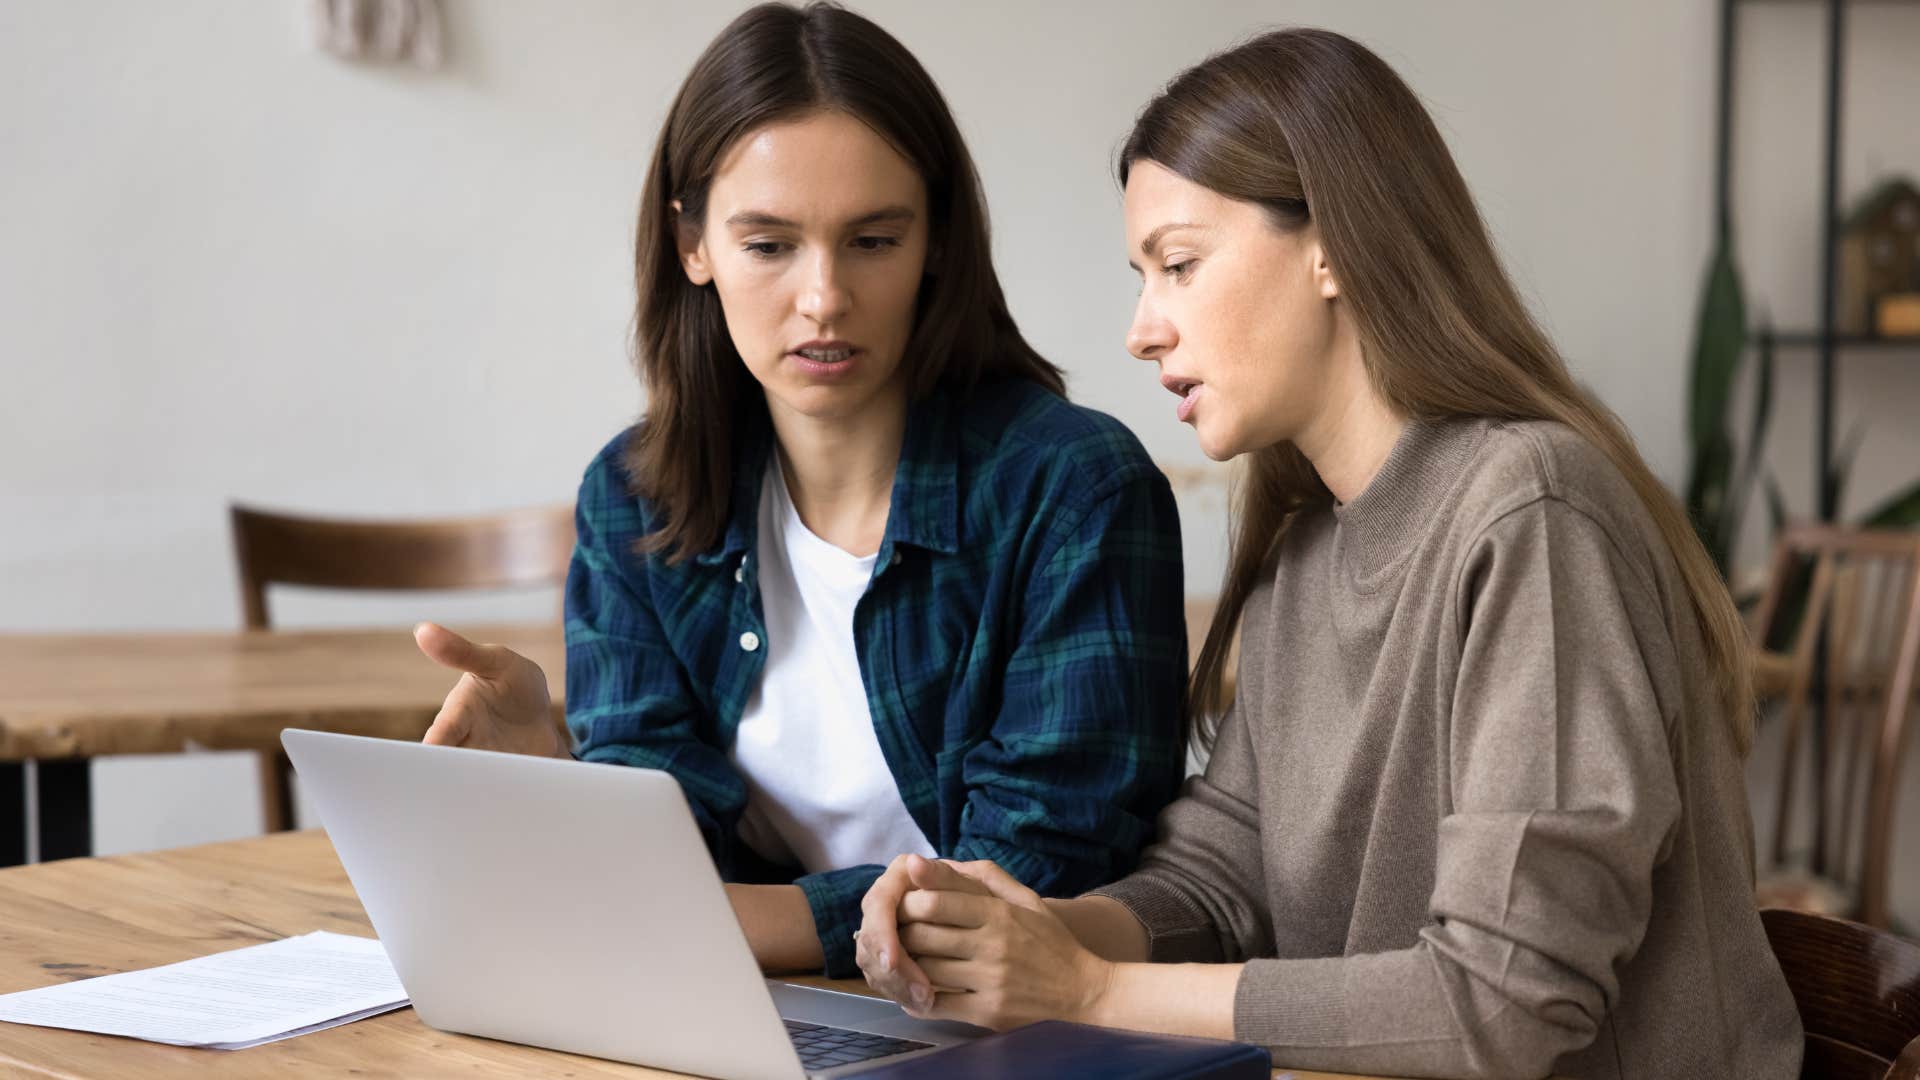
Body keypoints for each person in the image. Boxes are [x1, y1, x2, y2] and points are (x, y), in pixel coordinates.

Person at [853, 27, 1801, 1078]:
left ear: (1332, 247)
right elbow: (1222, 879)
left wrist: (1094, 992)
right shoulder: (1309, 549)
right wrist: (1034, 933)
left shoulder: (1529, 511)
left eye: (1179, 265)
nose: (1142, 330)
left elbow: (1504, 1004)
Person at [413, 1, 1186, 981]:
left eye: (872, 241)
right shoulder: (635, 494)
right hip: (743, 1006)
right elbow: (664, 851)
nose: (823, 297)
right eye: (769, 245)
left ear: (936, 240)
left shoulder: (1074, 490)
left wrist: (730, 927)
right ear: (692, 244)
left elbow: (1044, 870)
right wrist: (564, 777)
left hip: (1010, 1026)